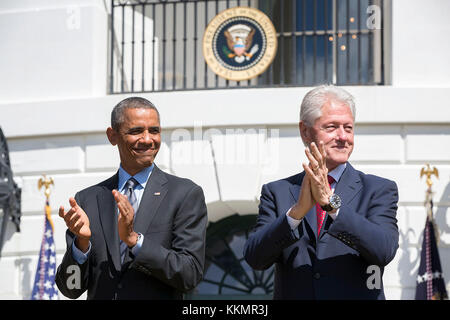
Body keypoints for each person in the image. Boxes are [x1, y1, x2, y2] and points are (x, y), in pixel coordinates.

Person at [244, 85, 399, 299]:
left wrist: (331, 205)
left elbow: (383, 251)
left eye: (348, 127)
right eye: (332, 127)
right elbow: (255, 257)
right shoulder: (277, 192)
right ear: (305, 131)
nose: (343, 136)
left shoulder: (378, 189)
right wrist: (296, 214)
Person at [55, 97, 208, 300]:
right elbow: (70, 289)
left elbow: (189, 275)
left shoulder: (185, 194)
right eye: (136, 131)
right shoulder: (88, 199)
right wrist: (81, 245)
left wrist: (135, 242)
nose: (147, 139)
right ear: (113, 136)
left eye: (154, 130)